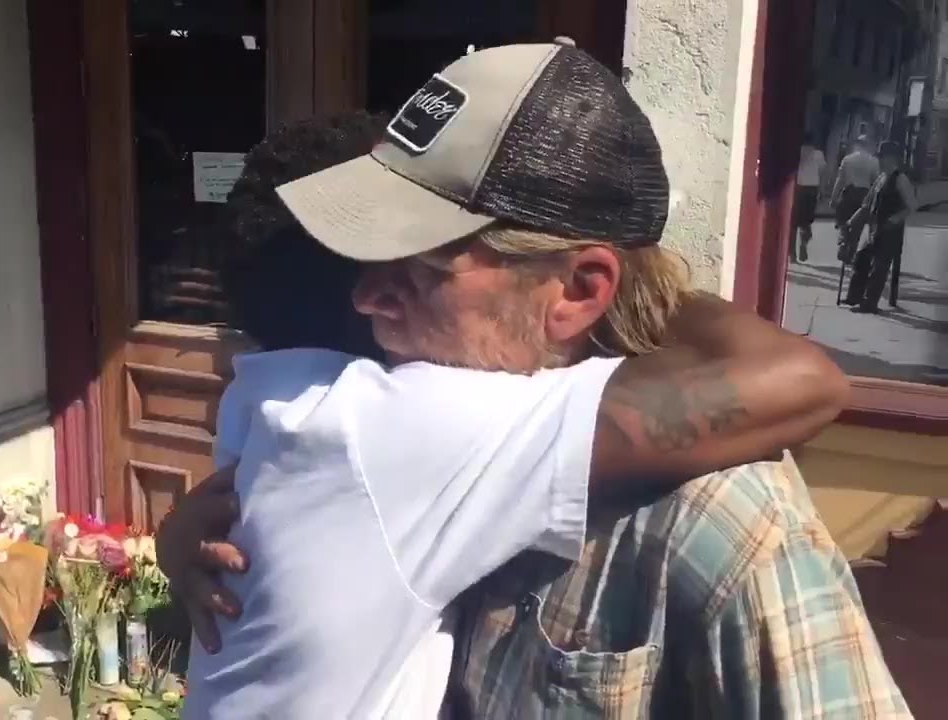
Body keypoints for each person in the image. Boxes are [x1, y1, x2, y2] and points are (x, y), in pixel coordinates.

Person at [162, 46, 911, 720]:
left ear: (581, 290)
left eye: (420, 271)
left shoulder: (722, 518)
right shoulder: (384, 415)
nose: (366, 301)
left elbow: (809, 384)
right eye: (366, 262)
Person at [843, 141, 916, 313]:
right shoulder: (880, 178)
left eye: (882, 157)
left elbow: (911, 205)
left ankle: (869, 303)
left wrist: (895, 219)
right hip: (875, 229)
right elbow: (866, 205)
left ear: (891, 158)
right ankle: (854, 297)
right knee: (861, 259)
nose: (880, 161)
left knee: (879, 268)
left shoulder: (900, 179)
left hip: (890, 232)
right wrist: (851, 222)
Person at [831, 134, 880, 259]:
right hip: (864, 195)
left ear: (857, 145)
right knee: (857, 227)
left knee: (843, 220)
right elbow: (876, 182)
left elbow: (840, 180)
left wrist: (834, 197)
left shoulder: (847, 159)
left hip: (849, 192)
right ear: (868, 146)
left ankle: (842, 239)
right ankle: (851, 254)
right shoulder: (873, 161)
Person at [792, 137, 827, 262]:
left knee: (793, 223)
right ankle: (804, 244)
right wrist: (822, 191)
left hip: (797, 189)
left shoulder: (795, 152)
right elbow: (822, 173)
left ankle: (792, 254)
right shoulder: (818, 155)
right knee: (806, 222)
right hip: (812, 190)